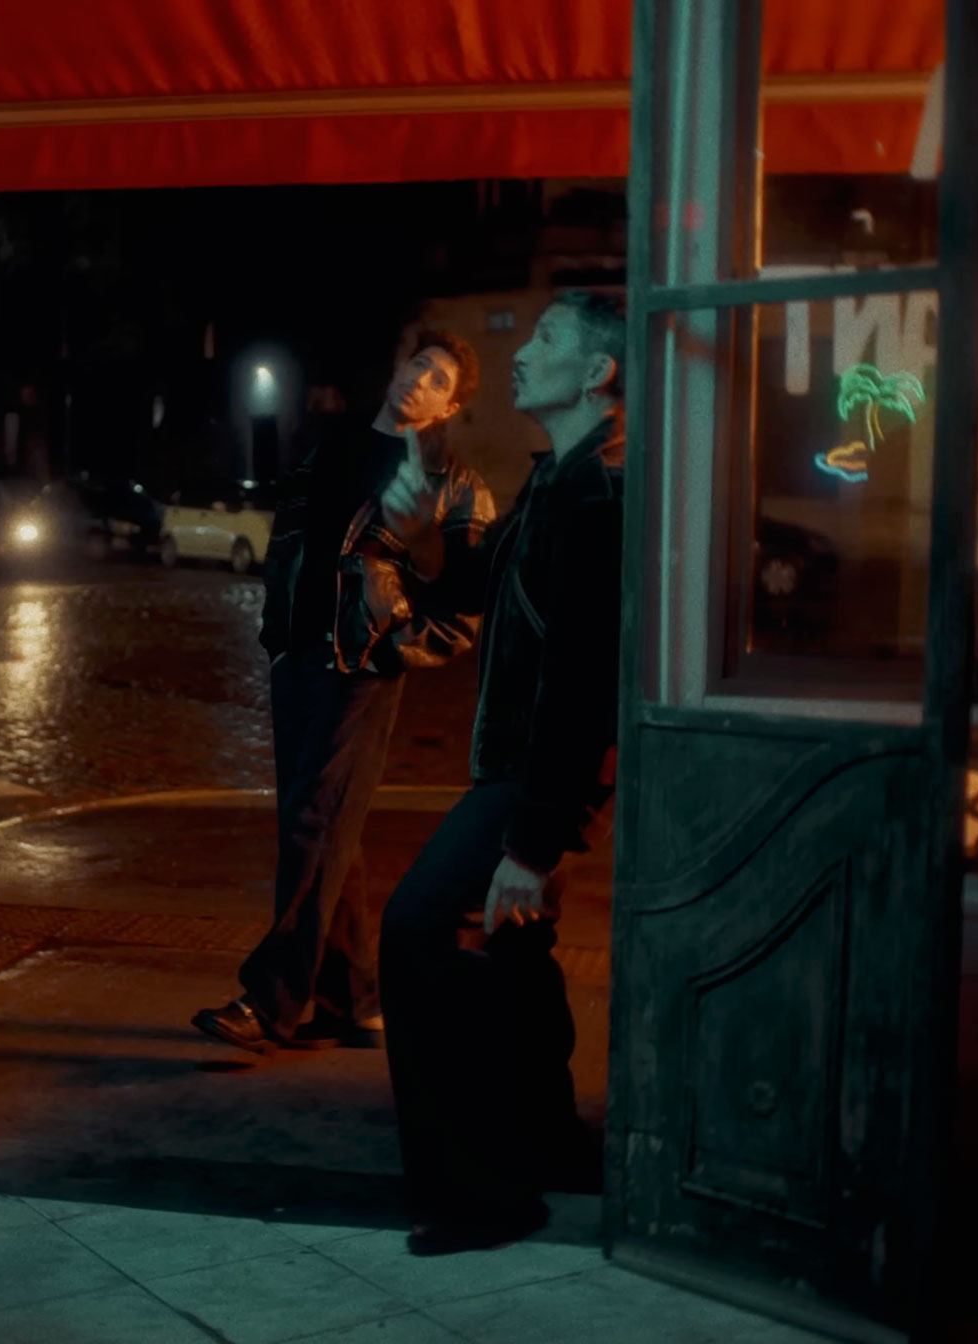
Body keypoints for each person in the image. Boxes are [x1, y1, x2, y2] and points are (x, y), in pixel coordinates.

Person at [378, 290, 626, 1255]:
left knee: (417, 929)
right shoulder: (560, 476)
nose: (521, 352)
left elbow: (583, 680)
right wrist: (422, 536)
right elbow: (487, 588)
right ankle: (550, 1141)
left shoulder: (594, 491)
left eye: (546, 337)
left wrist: (530, 844)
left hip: (532, 774)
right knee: (515, 948)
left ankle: (481, 1194)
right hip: (526, 770)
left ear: (598, 373)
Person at [193, 329, 496, 1054]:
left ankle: (273, 1001)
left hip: (360, 667)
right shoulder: (329, 447)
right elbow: (295, 545)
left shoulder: (453, 482)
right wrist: (279, 631)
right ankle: (353, 1000)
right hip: (297, 657)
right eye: (419, 364)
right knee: (328, 828)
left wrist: (389, 647)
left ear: (449, 407)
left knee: (314, 824)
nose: (421, 380)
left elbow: (466, 606)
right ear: (399, 366)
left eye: (440, 380)